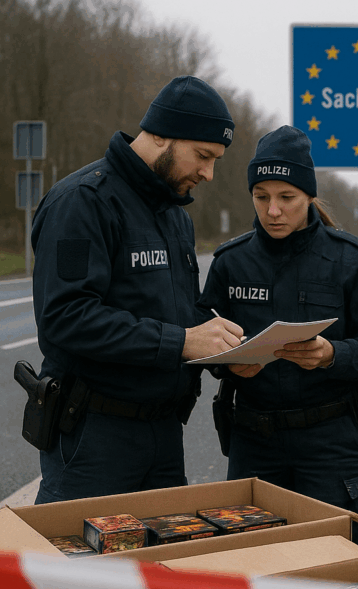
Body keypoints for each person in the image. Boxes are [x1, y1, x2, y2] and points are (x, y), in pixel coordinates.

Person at [30, 76, 243, 505]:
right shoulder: (83, 202)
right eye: (203, 156)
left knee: (160, 568)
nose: (209, 173)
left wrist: (224, 348)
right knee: (82, 571)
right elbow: (65, 318)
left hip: (164, 434)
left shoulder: (175, 216)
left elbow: (177, 315)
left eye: (216, 160)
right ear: (161, 135)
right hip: (94, 436)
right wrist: (183, 340)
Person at [198, 125, 358, 548]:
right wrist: (226, 362)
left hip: (329, 442)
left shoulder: (349, 260)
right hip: (253, 442)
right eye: (261, 197)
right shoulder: (230, 263)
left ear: (308, 195)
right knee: (247, 562)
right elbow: (202, 336)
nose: (273, 210)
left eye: (286, 197)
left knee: (337, 558)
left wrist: (333, 354)